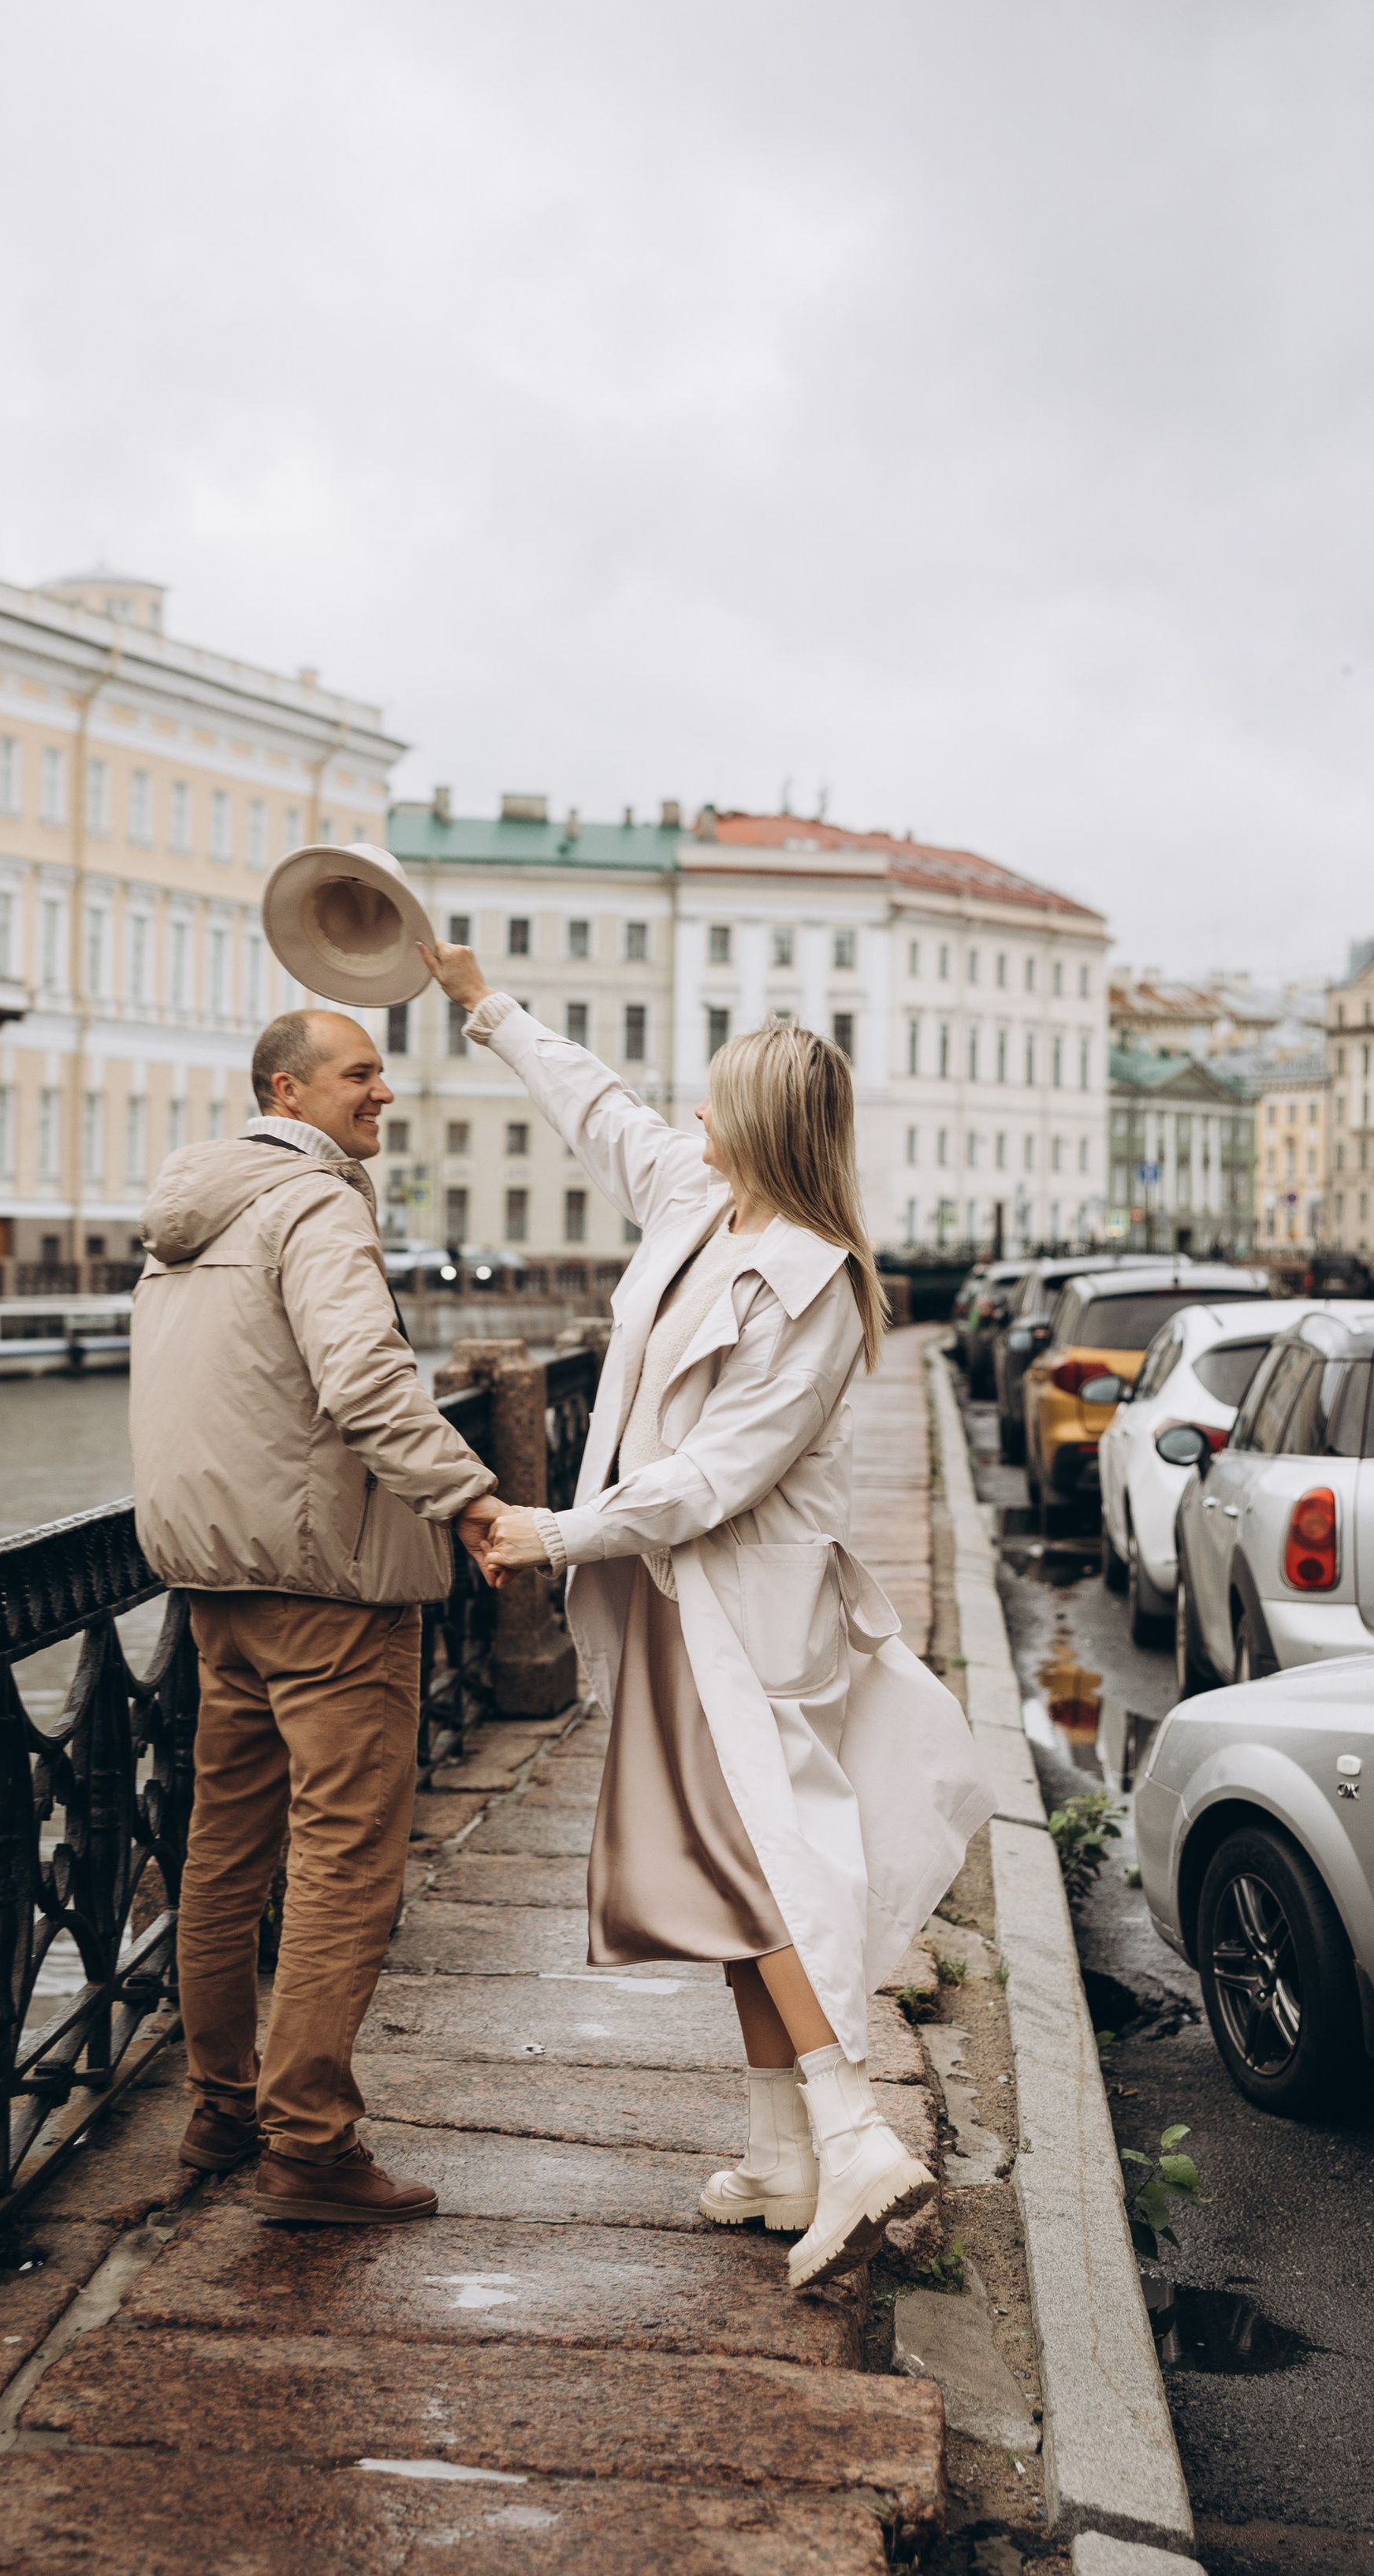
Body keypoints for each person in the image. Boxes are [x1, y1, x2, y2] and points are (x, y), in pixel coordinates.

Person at [421, 941, 993, 2291]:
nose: (692, 1118)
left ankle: (853, 2139)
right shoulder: (699, 1199)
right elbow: (599, 1108)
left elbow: (716, 1477)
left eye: (719, 1102)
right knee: (730, 1876)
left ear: (764, 1130)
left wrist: (552, 1527)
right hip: (677, 1602)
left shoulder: (818, 1288)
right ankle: (783, 2158)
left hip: (745, 1606)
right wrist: (487, 1007)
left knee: (764, 1870)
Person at [130, 1006, 504, 2226]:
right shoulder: (317, 1204)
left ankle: (221, 2109)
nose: (382, 1091)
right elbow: (362, 1381)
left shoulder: (189, 1217)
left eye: (383, 1070)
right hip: (328, 1585)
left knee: (225, 1849)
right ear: (287, 1091)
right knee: (345, 1859)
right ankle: (312, 2148)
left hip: (216, 1580)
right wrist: (471, 1498)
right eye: (360, 1072)